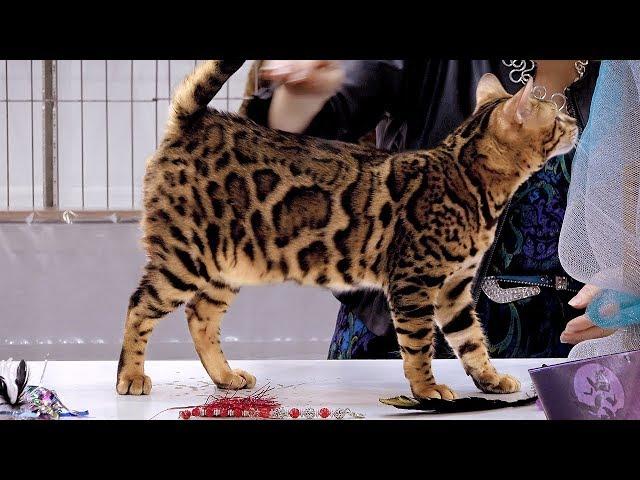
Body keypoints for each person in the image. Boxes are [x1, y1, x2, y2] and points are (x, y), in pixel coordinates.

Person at [243, 60, 601, 359]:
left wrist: (625, 285)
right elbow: (296, 130)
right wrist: (299, 97)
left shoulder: (619, 75)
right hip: (407, 343)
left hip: (564, 351)